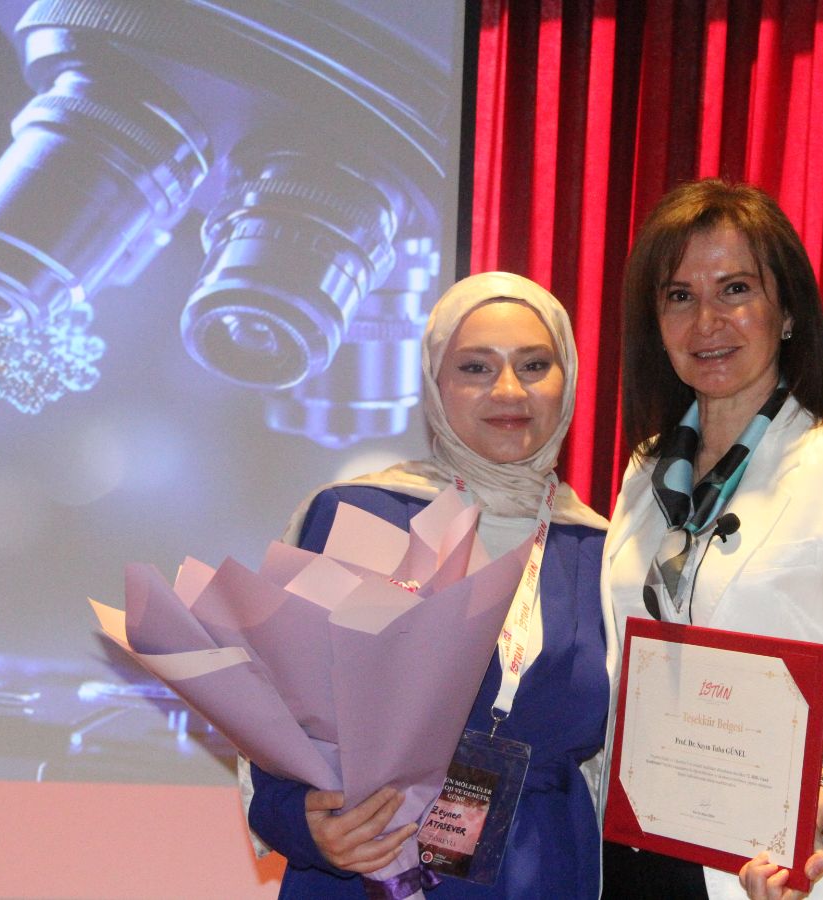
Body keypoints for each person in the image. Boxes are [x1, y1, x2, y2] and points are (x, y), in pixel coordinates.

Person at [599, 180, 823, 899]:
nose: (707, 321)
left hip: (794, 865)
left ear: (787, 312)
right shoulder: (644, 472)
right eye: (679, 296)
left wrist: (820, 804)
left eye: (735, 289)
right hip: (645, 856)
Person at [244, 272, 611, 898]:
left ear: (568, 379)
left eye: (534, 365)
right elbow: (276, 724)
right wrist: (305, 826)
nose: (508, 390)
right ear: (436, 384)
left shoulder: (601, 548)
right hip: (371, 868)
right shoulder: (361, 513)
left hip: (542, 871)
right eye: (475, 367)